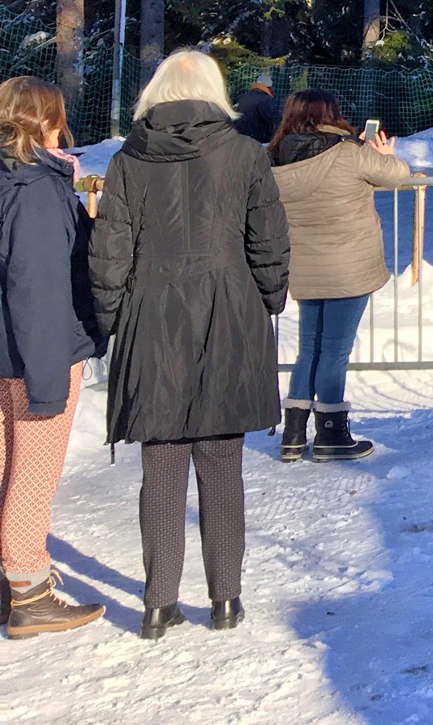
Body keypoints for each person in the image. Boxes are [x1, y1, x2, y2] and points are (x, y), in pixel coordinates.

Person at [90, 49, 289, 641]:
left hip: (152, 314)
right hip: (227, 311)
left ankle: (158, 604)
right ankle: (226, 598)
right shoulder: (244, 154)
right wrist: (269, 300)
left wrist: (109, 318)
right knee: (223, 461)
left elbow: (109, 251)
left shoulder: (129, 159)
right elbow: (269, 240)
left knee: (162, 461)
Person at [0, 77, 106, 638]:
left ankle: (9, 577)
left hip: (7, 349)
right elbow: (34, 286)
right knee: (32, 472)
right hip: (36, 352)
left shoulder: (12, 176)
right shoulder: (35, 186)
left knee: (5, 467)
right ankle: (29, 587)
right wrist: (46, 381)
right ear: (46, 120)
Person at [269, 90, 416, 464]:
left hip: (303, 267)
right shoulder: (349, 152)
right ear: (330, 114)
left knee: (310, 349)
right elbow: (398, 175)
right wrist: (382, 155)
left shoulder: (274, 157)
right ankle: (332, 433)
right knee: (334, 351)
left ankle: (293, 434)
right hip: (348, 267)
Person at [230, 75, 278, 145]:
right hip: (259, 141)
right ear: (269, 87)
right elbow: (274, 119)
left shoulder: (244, 98)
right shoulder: (266, 100)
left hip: (241, 139)